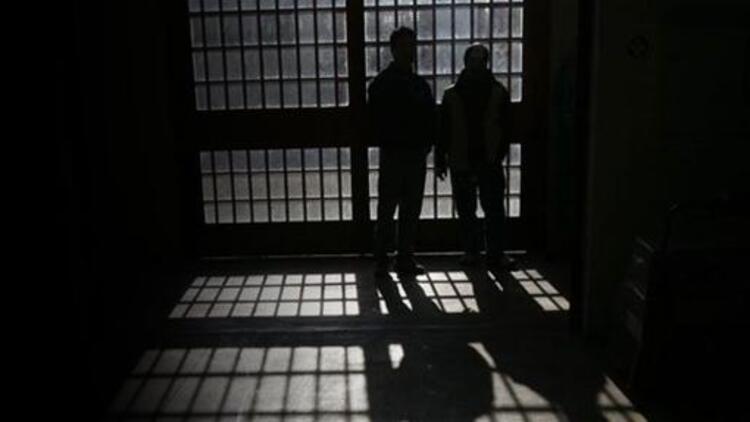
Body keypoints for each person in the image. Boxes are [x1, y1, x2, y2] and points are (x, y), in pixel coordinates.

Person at [436, 44, 515, 269]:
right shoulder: (496, 91)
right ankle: (481, 252)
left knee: (490, 209)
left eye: (480, 60)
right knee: (471, 209)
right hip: (472, 158)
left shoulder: (453, 93)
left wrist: (499, 153)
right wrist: (440, 158)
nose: (477, 64)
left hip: (481, 158)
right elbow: (443, 130)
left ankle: (486, 252)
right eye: (474, 60)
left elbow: (507, 127)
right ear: (467, 62)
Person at [367, 27, 437, 277]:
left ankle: (395, 258)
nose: (409, 51)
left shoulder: (384, 83)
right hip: (398, 152)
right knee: (392, 207)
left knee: (406, 208)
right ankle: (390, 258)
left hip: (408, 153)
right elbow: (375, 121)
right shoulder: (405, 85)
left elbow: (431, 120)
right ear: (394, 50)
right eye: (405, 46)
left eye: (411, 45)